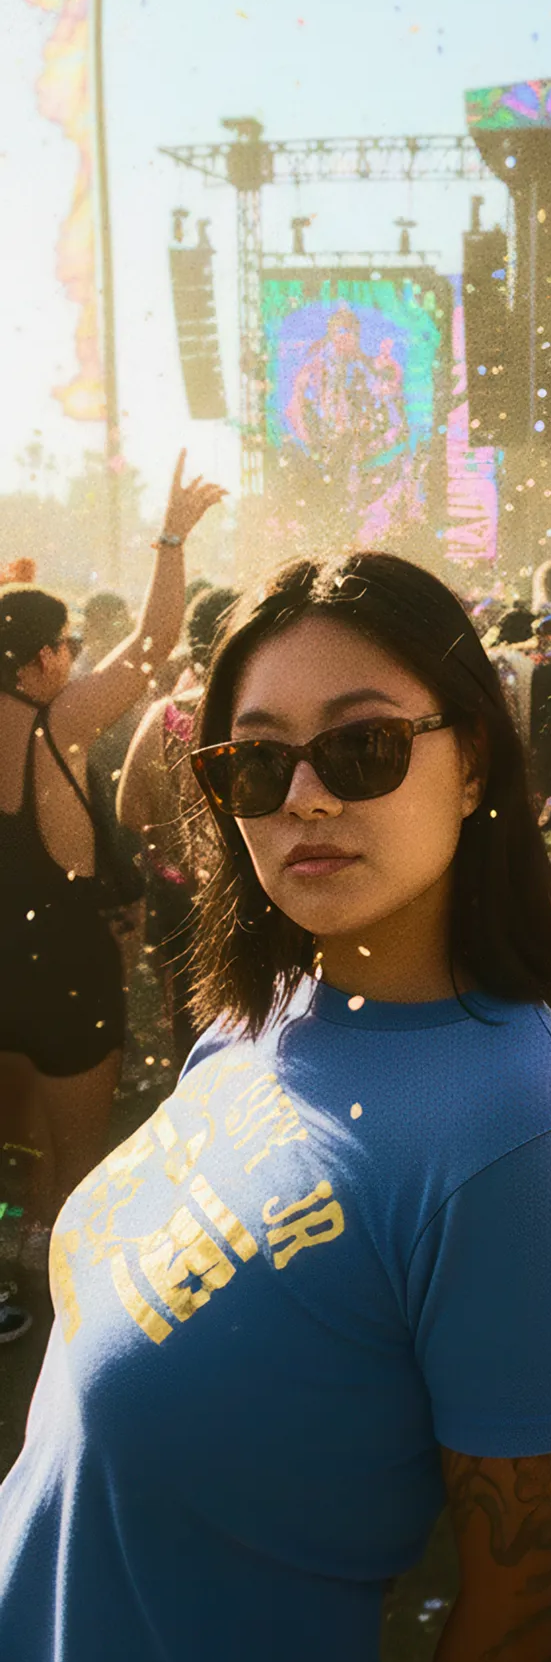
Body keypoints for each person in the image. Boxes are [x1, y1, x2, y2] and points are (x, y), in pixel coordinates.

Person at [0, 551, 551, 1662]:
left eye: (360, 752)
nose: (301, 800)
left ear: (473, 762)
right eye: (253, 762)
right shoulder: (264, 1011)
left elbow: (530, 1608)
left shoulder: (518, 1143)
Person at [0, 454, 224, 1242]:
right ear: (38, 662)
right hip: (64, 971)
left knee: (15, 1160)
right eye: (63, 642)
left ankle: (11, 1262)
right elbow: (156, 640)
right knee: (78, 1167)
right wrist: (170, 536)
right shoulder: (55, 723)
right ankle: (61, 1310)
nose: (72, 654)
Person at [116, 585, 239, 1062]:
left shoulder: (167, 714)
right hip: (253, 899)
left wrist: (174, 845)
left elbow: (130, 811)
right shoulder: (259, 716)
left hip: (181, 899)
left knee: (194, 1034)